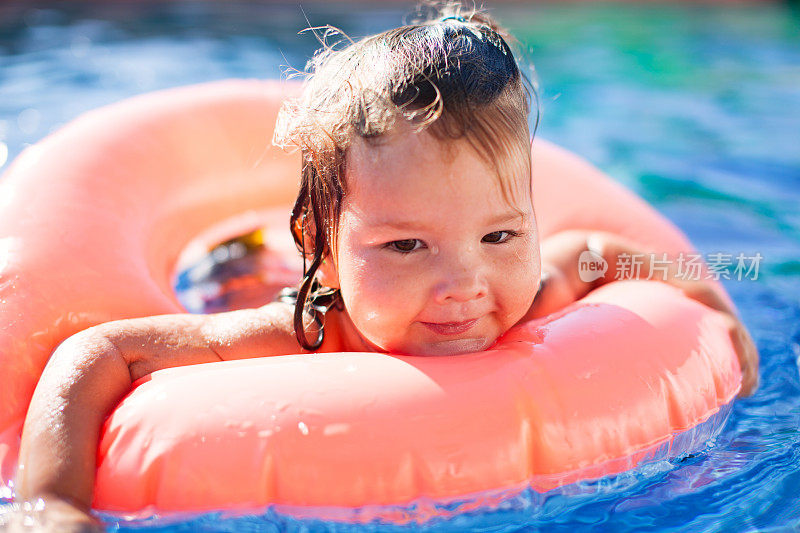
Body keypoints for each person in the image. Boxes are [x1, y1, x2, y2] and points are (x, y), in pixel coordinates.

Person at [9, 5, 758, 531]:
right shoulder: (308, 331)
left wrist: (707, 300)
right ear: (324, 246)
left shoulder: (531, 293)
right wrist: (50, 503)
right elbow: (100, 351)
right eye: (406, 246)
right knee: (241, 268)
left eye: (500, 235)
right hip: (257, 278)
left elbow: (608, 253)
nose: (464, 283)